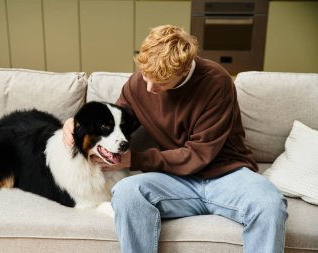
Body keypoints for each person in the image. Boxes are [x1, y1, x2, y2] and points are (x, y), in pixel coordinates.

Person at [63, 25, 288, 253]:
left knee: (269, 203)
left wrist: (135, 160)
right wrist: (75, 123)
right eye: (145, 77)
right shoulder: (139, 84)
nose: (149, 88)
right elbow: (115, 124)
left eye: (159, 83)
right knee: (127, 192)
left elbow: (199, 154)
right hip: (176, 181)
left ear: (183, 71)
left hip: (227, 176)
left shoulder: (215, 81)